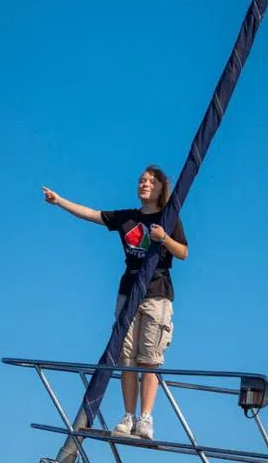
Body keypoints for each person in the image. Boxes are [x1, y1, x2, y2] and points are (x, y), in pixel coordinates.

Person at [42, 165, 189, 438]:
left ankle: (146, 418)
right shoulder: (127, 218)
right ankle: (128, 415)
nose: (144, 185)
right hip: (128, 290)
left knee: (149, 359)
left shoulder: (169, 218)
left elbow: (183, 252)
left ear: (161, 188)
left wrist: (163, 238)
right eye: (141, 181)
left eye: (150, 181)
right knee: (126, 356)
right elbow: (92, 214)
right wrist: (59, 201)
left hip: (157, 291)